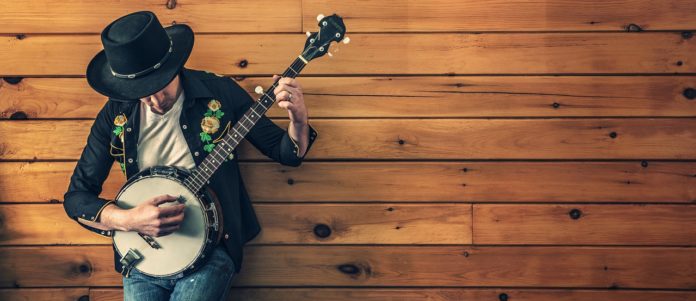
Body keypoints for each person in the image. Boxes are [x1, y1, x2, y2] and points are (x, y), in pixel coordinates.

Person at [62, 10, 318, 300]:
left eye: (159, 86)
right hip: (142, 257)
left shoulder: (218, 91)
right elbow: (76, 197)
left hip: (212, 250)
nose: (155, 101)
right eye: (141, 93)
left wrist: (298, 118)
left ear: (173, 66)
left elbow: (284, 152)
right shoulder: (115, 115)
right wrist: (130, 220)